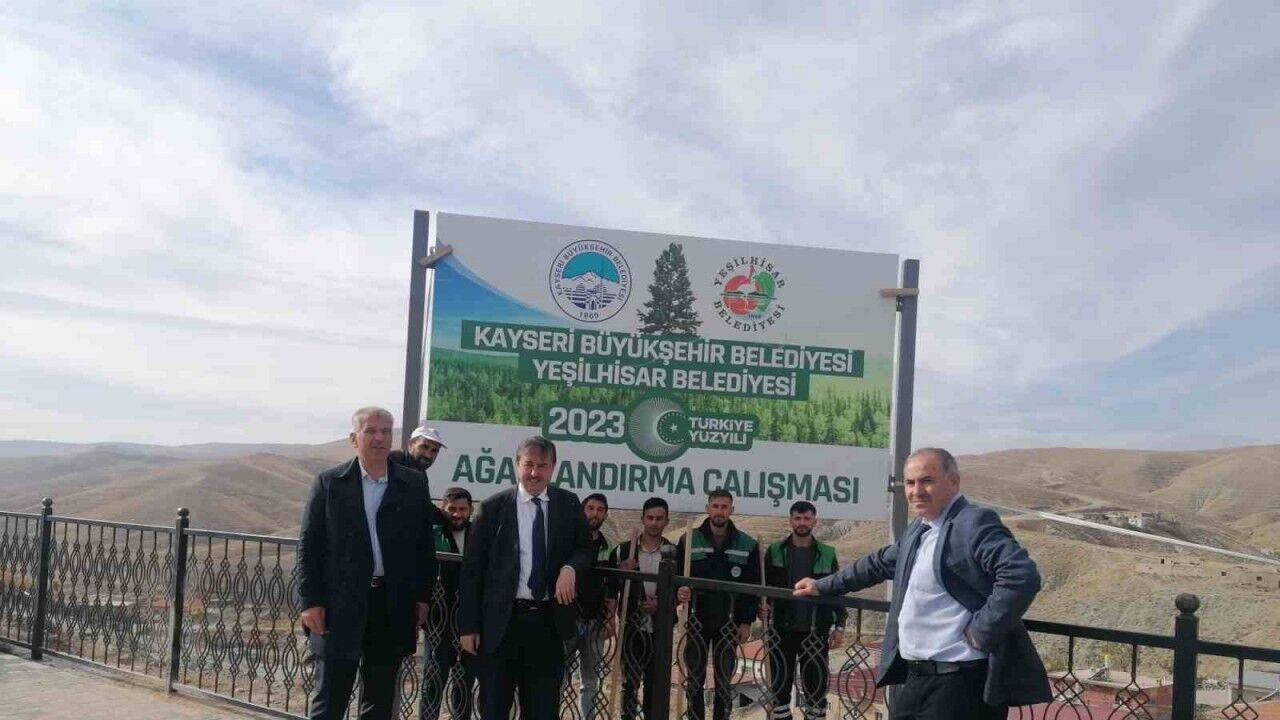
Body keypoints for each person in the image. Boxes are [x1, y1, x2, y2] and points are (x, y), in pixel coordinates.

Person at [794, 448, 1051, 719]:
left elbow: (1021, 575)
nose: (916, 491)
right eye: (910, 482)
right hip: (916, 679)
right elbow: (878, 564)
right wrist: (823, 586)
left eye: (927, 480)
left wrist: (982, 629)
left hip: (960, 684)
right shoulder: (921, 528)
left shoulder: (973, 523)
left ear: (953, 482)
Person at [297, 407, 438, 720]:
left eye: (385, 431)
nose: (379, 438)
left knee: (379, 701)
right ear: (354, 439)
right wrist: (310, 601)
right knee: (330, 699)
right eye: (371, 431)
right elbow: (309, 545)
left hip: (391, 605)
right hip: (339, 606)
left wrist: (422, 596)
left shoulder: (412, 484)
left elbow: (423, 547)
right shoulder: (330, 483)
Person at [458, 436, 593, 720]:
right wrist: (468, 627)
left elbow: (585, 549)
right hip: (501, 627)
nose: (534, 472)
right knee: (494, 708)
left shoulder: (568, 504)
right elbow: (472, 571)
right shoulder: (492, 508)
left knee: (542, 710)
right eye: (528, 464)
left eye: (542, 466)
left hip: (548, 625)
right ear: (516, 464)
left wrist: (570, 569)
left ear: (553, 468)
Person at [676, 489, 761, 720]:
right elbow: (677, 577)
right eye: (715, 506)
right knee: (694, 679)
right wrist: (679, 592)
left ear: (732, 510)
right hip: (696, 620)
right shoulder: (689, 540)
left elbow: (751, 588)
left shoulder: (747, 544)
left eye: (724, 507)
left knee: (724, 681)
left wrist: (746, 621)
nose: (719, 511)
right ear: (708, 509)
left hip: (729, 622)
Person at [760, 501, 847, 720]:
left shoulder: (827, 553)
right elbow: (763, 587)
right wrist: (761, 607)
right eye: (797, 518)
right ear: (791, 521)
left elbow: (837, 591)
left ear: (814, 521)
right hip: (781, 630)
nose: (802, 523)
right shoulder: (775, 551)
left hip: (815, 632)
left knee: (815, 689)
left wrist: (840, 626)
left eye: (807, 518)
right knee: (779, 689)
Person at [612, 497, 681, 720]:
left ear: (667, 521)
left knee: (656, 685)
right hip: (631, 626)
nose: (654, 523)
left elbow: (680, 591)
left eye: (659, 518)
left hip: (661, 629)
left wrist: (663, 604)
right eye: (650, 518)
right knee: (629, 684)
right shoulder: (624, 551)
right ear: (642, 519)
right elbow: (610, 587)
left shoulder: (674, 552)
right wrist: (621, 571)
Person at [420, 487, 476, 720]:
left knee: (463, 687)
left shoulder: (479, 535)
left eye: (462, 509)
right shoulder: (433, 535)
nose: (457, 514)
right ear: (442, 508)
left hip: (469, 625)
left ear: (470, 510)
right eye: (451, 509)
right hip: (438, 624)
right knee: (432, 684)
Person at [573, 493, 616, 720]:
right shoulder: (568, 542)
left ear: (605, 515)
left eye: (600, 510)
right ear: (582, 511)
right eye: (590, 508)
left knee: (590, 681)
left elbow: (612, 587)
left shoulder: (608, 547)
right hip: (569, 620)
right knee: (558, 677)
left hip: (596, 622)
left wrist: (610, 618)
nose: (595, 514)